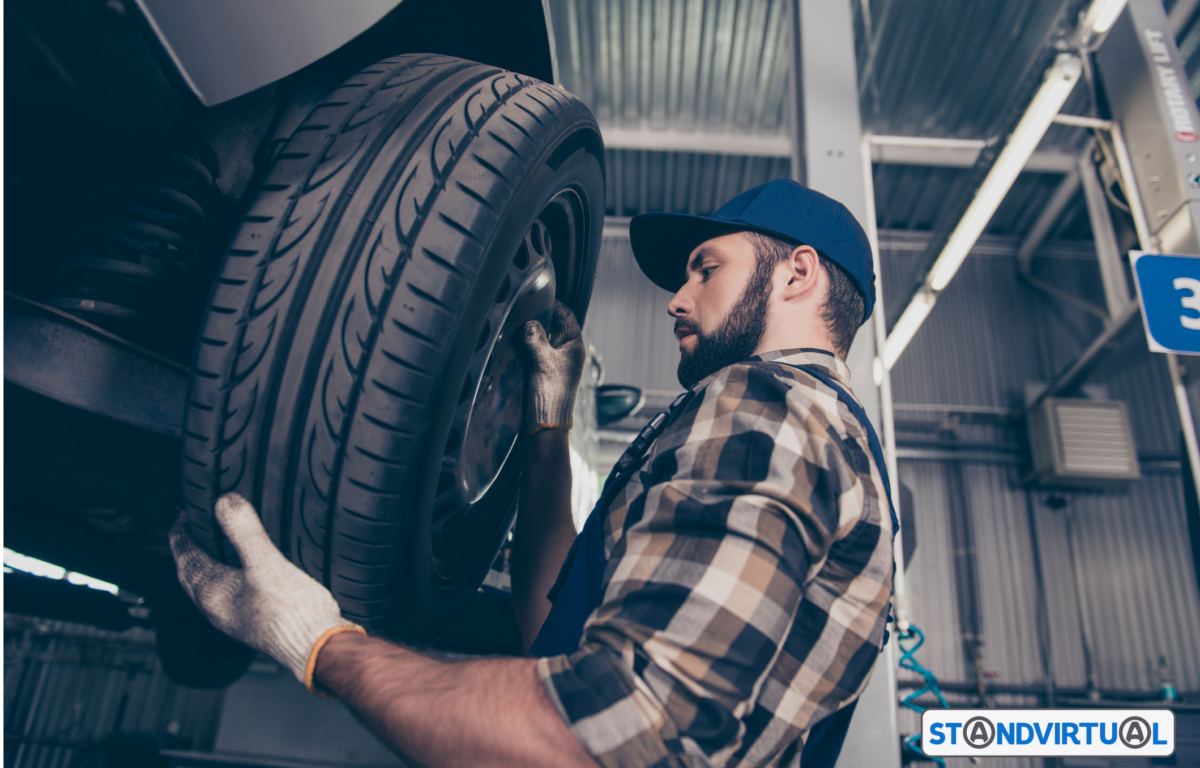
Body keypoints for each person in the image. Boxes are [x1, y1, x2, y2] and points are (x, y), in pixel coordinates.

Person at [170, 178, 897, 768]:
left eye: (706, 267)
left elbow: (611, 731)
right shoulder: (807, 432)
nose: (676, 298)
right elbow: (557, 631)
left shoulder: (770, 405)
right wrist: (549, 426)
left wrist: (323, 647)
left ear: (797, 273)